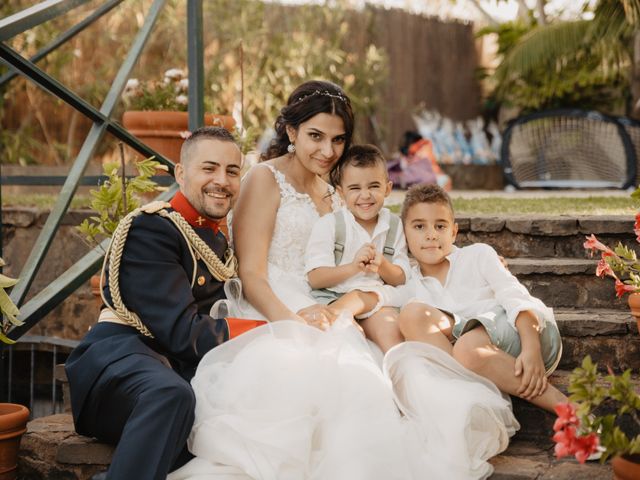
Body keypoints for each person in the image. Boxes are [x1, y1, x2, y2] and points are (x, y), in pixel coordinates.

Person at [169, 81, 422, 480]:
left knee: (362, 380)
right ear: (291, 132)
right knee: (310, 372)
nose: (328, 151)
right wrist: (291, 324)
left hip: (325, 303)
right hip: (270, 303)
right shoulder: (265, 179)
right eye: (315, 137)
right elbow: (251, 274)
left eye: (338, 140)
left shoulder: (335, 192)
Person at [65, 127, 263, 480]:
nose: (222, 180)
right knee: (171, 394)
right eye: (209, 168)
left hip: (175, 369)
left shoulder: (218, 240)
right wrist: (268, 331)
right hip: (119, 365)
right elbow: (183, 334)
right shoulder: (153, 229)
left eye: (232, 171)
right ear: (181, 173)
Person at [395, 183, 567, 413]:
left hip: (525, 332)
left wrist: (531, 347)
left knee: (467, 347)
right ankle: (470, 393)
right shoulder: (411, 286)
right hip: (476, 356)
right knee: (412, 314)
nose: (431, 234)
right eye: (419, 226)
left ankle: (569, 411)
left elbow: (515, 297)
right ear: (404, 235)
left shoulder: (478, 255)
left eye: (440, 225)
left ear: (453, 232)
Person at [304, 143, 410, 331]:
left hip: (377, 300)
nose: (365, 195)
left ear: (387, 188)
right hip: (333, 297)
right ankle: (331, 319)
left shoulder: (394, 225)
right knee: (349, 336)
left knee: (390, 332)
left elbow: (401, 278)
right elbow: (315, 278)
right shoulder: (330, 225)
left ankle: (401, 360)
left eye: (374, 186)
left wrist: (383, 265)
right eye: (354, 188)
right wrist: (353, 267)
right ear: (341, 193)